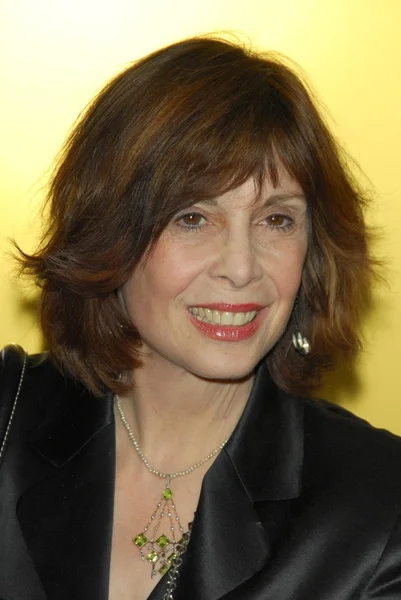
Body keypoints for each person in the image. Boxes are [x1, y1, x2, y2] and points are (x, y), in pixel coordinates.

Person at [1, 35, 401, 600]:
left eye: (277, 220)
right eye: (192, 218)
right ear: (109, 232)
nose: (241, 268)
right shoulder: (8, 416)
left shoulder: (381, 507)